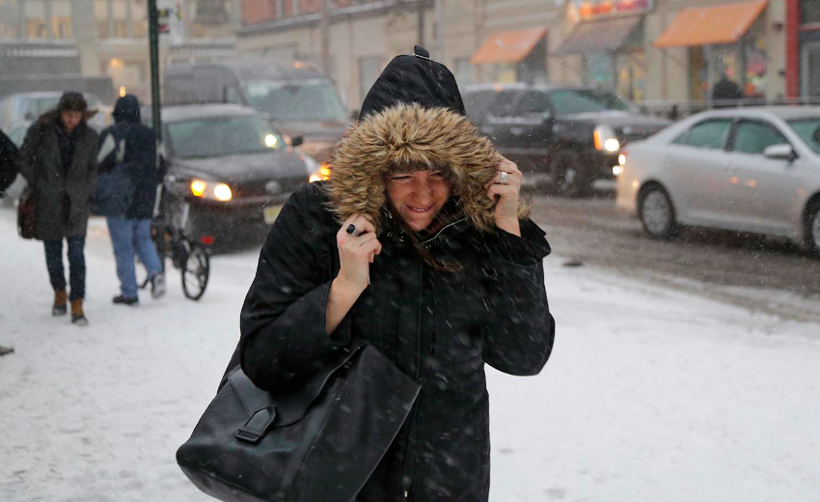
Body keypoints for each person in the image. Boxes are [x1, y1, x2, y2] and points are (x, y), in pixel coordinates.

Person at [237, 48, 556, 501]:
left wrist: (508, 233)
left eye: (439, 172)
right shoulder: (316, 218)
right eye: (404, 172)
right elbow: (263, 361)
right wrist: (343, 289)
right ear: (374, 168)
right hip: (335, 479)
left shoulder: (478, 229)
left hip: (449, 480)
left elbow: (524, 356)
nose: (423, 193)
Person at [18, 92, 99, 326]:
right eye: (67, 115)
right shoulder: (42, 131)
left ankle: (77, 304)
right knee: (53, 256)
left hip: (77, 204)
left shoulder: (90, 137)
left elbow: (94, 167)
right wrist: (38, 181)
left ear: (82, 115)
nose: (70, 120)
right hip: (49, 202)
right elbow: (23, 157)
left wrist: (87, 190)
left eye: (75, 116)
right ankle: (59, 293)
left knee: (76, 256)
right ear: (60, 112)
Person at [96, 94, 165, 305]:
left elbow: (99, 161)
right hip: (146, 196)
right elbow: (161, 166)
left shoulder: (112, 134)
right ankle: (155, 273)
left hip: (120, 198)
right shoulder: (151, 135)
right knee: (143, 239)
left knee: (123, 246)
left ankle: (129, 293)